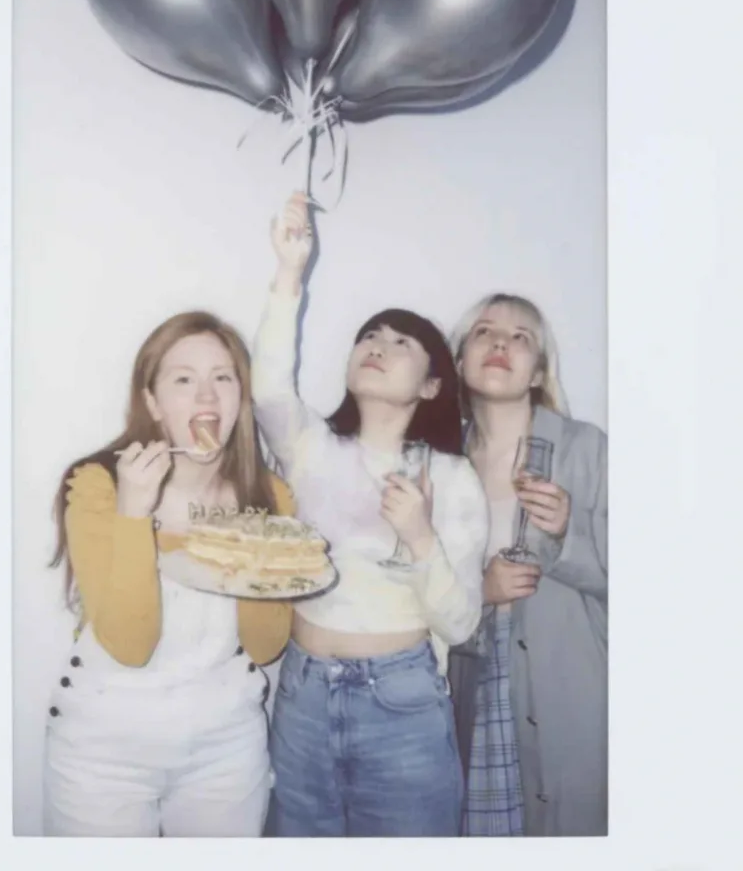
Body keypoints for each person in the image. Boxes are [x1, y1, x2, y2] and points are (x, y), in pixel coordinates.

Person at [251, 192, 490, 837]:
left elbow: (461, 622)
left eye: (401, 341)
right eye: (369, 336)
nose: (377, 346)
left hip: (401, 703)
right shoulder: (312, 447)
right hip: (301, 697)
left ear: (432, 385)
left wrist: (418, 538)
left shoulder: (451, 476)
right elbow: (270, 387)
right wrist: (288, 273)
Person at [43, 310, 294, 837]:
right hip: (102, 751)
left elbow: (266, 644)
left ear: (241, 399)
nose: (207, 397)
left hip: (226, 748)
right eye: (184, 380)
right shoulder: (100, 484)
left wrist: (252, 534)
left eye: (223, 378)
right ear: (153, 403)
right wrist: (135, 512)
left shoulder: (270, 497)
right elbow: (131, 644)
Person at [447, 292, 607, 837]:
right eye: (484, 332)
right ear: (460, 361)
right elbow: (418, 597)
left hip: (572, 698)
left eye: (521, 337)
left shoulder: (586, 448)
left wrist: (568, 533)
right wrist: (479, 593)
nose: (500, 343)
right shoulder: (441, 463)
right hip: (477, 694)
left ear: (538, 370)